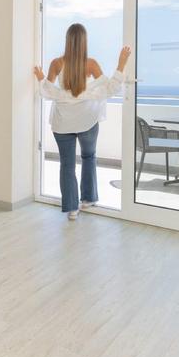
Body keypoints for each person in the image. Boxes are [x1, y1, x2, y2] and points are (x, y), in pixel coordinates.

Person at [33, 23, 131, 220]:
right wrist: (121, 64)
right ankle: (88, 198)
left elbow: (47, 91)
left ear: (67, 41)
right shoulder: (91, 64)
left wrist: (41, 78)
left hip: (62, 123)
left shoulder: (57, 64)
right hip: (87, 121)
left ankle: (71, 208)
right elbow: (110, 89)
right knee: (89, 156)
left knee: (67, 164)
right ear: (84, 41)